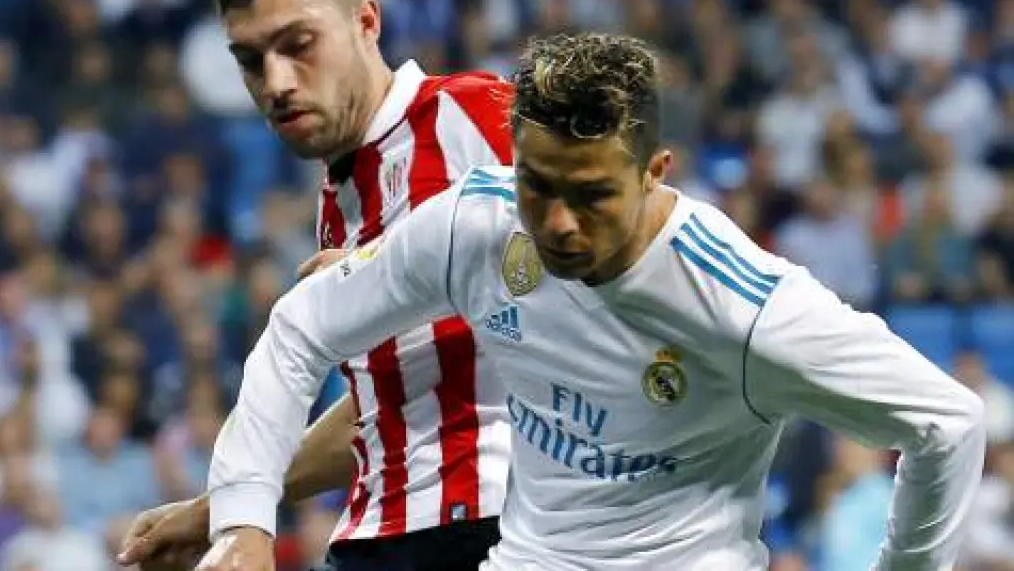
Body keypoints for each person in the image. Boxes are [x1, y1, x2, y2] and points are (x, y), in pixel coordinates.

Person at [195, 33, 987, 570]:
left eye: (592, 194)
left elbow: (948, 423)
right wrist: (241, 521)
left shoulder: (744, 308)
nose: (559, 223)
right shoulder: (477, 224)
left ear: (655, 171)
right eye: (538, 185)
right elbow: (300, 327)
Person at [118, 0, 515, 570]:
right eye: (251, 61)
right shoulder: (341, 199)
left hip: (495, 525)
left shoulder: (474, 116)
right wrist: (218, 510)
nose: (276, 83)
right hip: (381, 536)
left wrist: (403, 271)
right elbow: (387, 407)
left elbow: (606, 267)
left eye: (298, 44)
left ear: (367, 22)